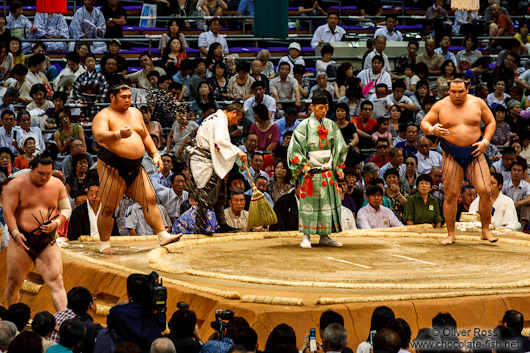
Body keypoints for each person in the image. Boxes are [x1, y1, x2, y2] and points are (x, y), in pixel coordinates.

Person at [92, 84, 180, 254]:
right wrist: (118, 134)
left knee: (150, 199)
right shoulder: (104, 116)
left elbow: (145, 135)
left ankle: (162, 235)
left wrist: (155, 153)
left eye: (129, 96)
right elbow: (99, 135)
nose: (127, 100)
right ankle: (104, 244)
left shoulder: (136, 113)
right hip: (113, 167)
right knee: (109, 208)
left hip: (135, 166)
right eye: (123, 96)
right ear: (112, 97)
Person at [421, 78, 498, 244]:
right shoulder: (440, 105)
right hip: (451, 154)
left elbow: (491, 122)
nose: (457, 95)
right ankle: (450, 234)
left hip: (475, 153)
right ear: (448, 91)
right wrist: (432, 129)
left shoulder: (478, 103)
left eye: (461, 91)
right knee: (450, 194)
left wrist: (485, 142)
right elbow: (424, 122)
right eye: (453, 92)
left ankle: (485, 230)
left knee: (486, 191)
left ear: (467, 90)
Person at [3, 156, 71, 311]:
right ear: (31, 169)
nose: (45, 177)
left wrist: (56, 223)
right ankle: (11, 321)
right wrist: (15, 233)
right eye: (41, 173)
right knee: (14, 282)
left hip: (47, 240)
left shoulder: (57, 184)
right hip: (22, 239)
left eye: (48, 173)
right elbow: (8, 212)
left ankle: (64, 322)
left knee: (57, 281)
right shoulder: (15, 185)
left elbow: (66, 209)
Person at [288, 94, 347, 248]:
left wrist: (339, 167)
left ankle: (325, 235)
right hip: (311, 171)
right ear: (312, 107)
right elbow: (294, 149)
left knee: (327, 204)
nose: (324, 111)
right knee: (309, 204)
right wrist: (304, 166)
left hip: (328, 171)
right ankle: (306, 236)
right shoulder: (304, 125)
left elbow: (340, 147)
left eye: (326, 108)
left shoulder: (331, 125)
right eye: (320, 108)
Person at [184, 103, 247, 234]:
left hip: (209, 158)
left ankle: (223, 224)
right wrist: (237, 152)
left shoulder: (215, 118)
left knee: (221, 193)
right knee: (207, 193)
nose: (236, 122)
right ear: (234, 113)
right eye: (238, 119)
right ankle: (198, 228)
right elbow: (220, 141)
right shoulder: (219, 120)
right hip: (203, 160)